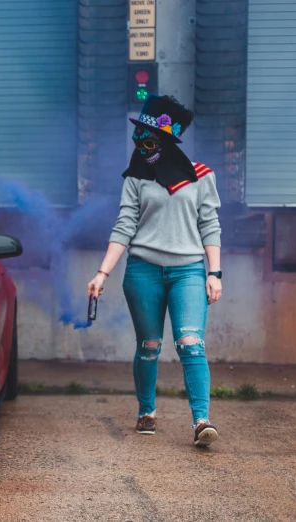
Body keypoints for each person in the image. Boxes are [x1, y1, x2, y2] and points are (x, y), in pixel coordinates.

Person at [87, 94, 223, 448]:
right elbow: (124, 226)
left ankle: (202, 421)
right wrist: (102, 274)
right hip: (143, 271)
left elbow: (210, 225)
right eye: (139, 135)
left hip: (189, 271)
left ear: (165, 139)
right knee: (148, 346)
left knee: (191, 344)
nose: (141, 142)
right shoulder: (136, 177)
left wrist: (215, 272)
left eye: (149, 136)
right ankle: (146, 411)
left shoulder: (201, 176)